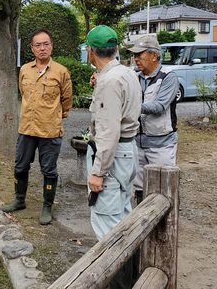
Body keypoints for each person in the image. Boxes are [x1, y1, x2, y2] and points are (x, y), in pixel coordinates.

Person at [85, 25, 141, 289]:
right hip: (128, 152)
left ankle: (120, 284)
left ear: (91, 51)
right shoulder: (126, 73)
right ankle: (131, 277)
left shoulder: (109, 81)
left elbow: (108, 132)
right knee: (123, 216)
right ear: (116, 49)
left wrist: (98, 172)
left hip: (113, 155)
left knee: (108, 225)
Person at [1, 29, 72, 225]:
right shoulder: (25, 69)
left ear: (52, 46)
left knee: (49, 170)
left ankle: (47, 206)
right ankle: (19, 200)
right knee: (20, 166)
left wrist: (56, 116)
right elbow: (23, 92)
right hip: (27, 128)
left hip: (50, 130)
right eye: (38, 45)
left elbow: (66, 100)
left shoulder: (61, 71)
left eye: (46, 44)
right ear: (32, 48)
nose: (42, 48)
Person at [129, 35, 178, 203]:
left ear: (154, 55)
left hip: (161, 144)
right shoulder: (134, 76)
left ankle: (167, 225)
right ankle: (142, 223)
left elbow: (160, 106)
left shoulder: (168, 77)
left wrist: (131, 106)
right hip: (138, 141)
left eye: (139, 54)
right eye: (134, 55)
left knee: (163, 187)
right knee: (139, 187)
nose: (136, 59)